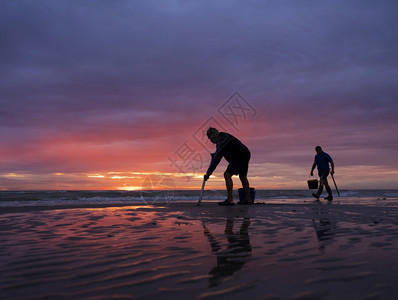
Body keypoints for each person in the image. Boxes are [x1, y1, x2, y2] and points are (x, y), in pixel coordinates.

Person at [204, 127, 252, 205]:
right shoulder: (222, 137)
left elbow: (217, 159)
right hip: (245, 153)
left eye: (214, 137)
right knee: (243, 176)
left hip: (240, 155)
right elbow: (220, 153)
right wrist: (216, 155)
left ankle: (230, 200)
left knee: (227, 174)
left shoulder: (222, 141)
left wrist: (208, 173)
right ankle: (248, 199)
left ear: (216, 134)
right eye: (212, 139)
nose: (213, 140)